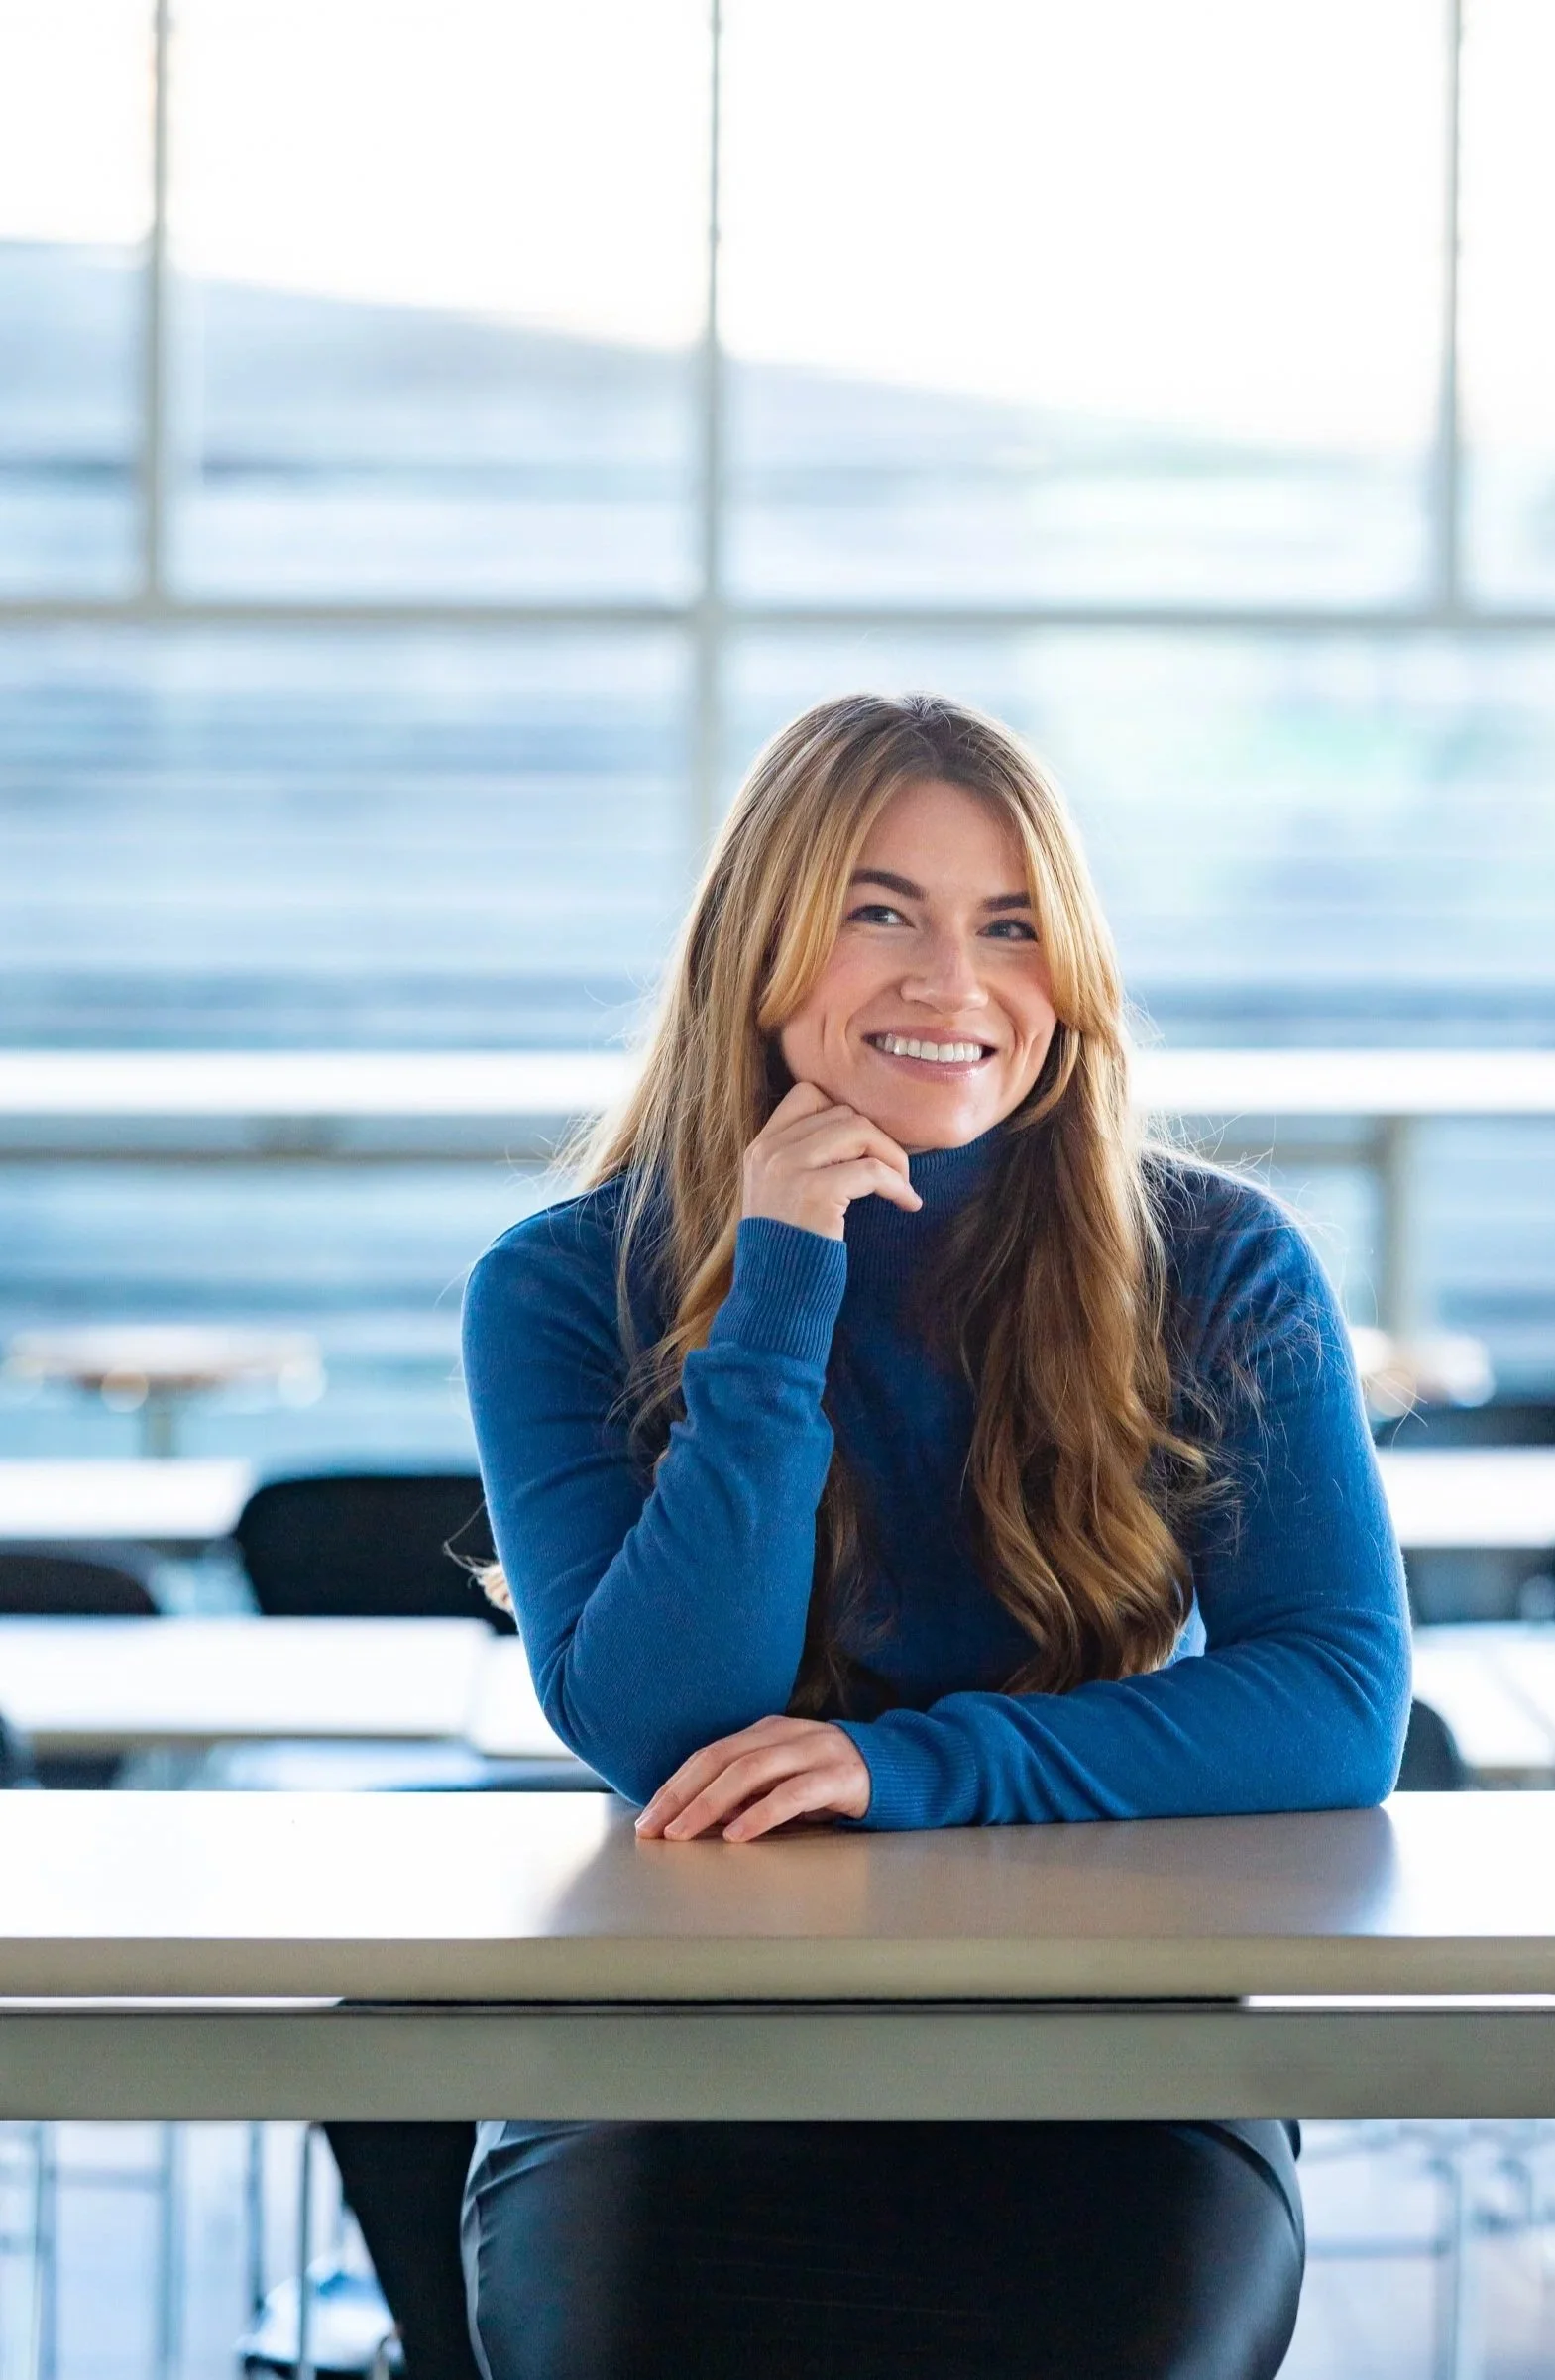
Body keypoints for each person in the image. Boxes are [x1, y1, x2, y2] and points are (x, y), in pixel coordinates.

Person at [460, 691, 1411, 2380]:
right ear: (759, 940)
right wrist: (780, 1283)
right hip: (678, 2038)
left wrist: (904, 1766)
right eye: (877, 911)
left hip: (1099, 2035)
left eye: (1010, 926)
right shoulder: (558, 1282)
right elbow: (671, 1728)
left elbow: (1338, 1700)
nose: (952, 982)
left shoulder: (1215, 1256)